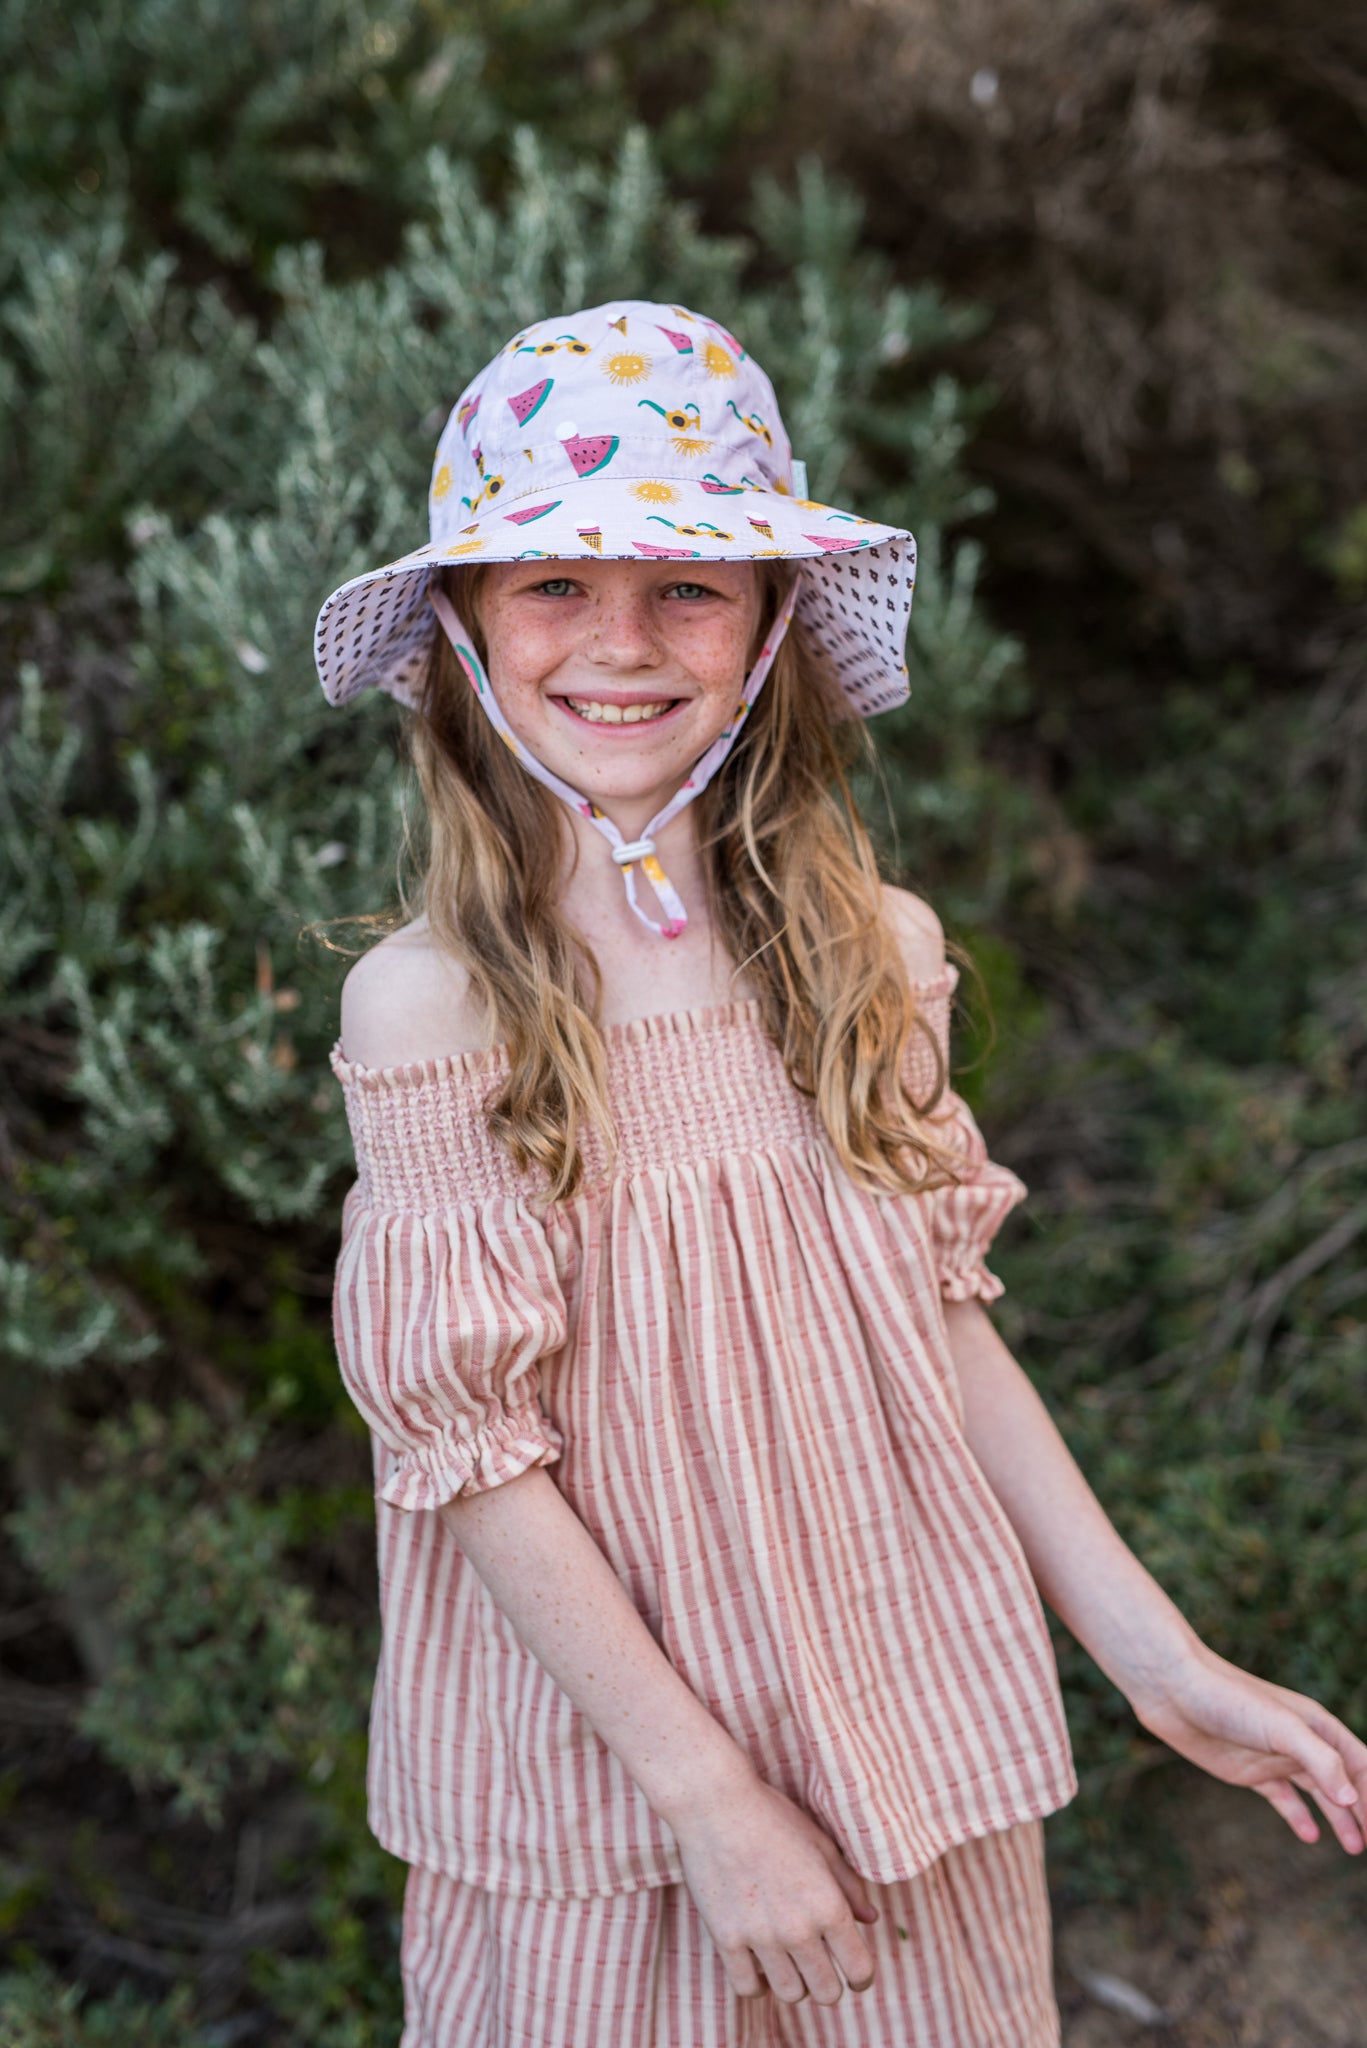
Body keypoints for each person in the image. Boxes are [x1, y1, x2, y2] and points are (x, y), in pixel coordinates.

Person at [315, 300, 1367, 2048]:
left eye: (690, 584)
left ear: (774, 623)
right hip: (613, 1803)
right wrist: (714, 1805)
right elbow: (473, 1457)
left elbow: (937, 1330)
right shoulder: (432, 1004)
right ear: (466, 628)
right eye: (557, 583)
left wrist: (1160, 1659)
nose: (622, 640)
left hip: (895, 1740)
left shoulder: (869, 951)